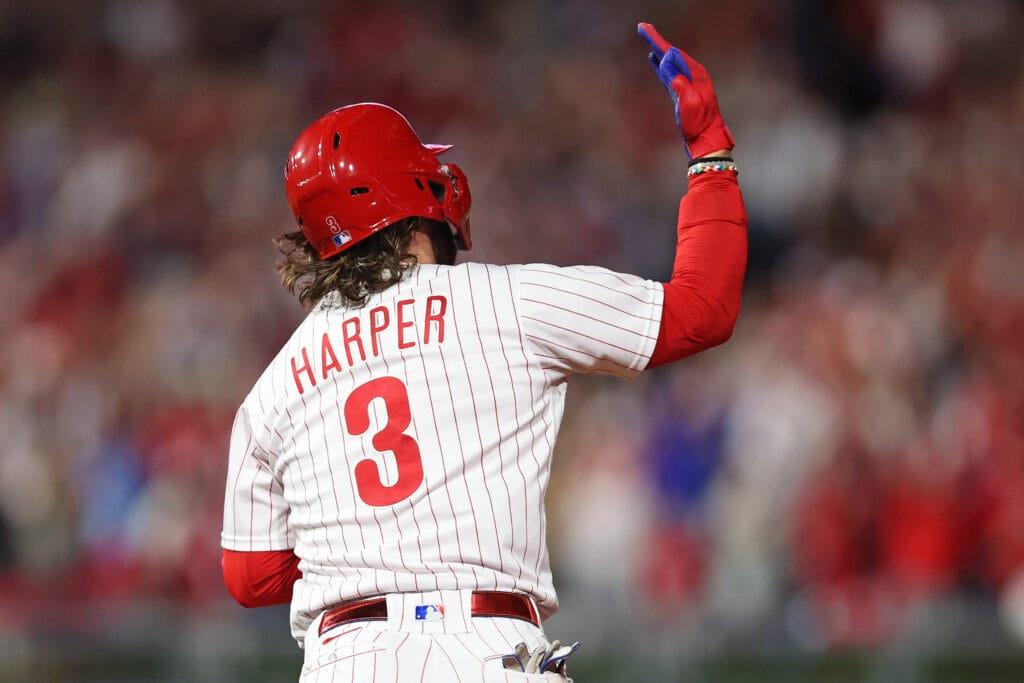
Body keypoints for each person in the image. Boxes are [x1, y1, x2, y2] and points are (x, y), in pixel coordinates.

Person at [221, 22, 747, 682]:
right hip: (490, 647)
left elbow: (251, 574)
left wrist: (368, 544)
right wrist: (710, 153)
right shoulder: (508, 300)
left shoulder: (272, 389)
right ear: (415, 208)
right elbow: (701, 310)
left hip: (346, 659)